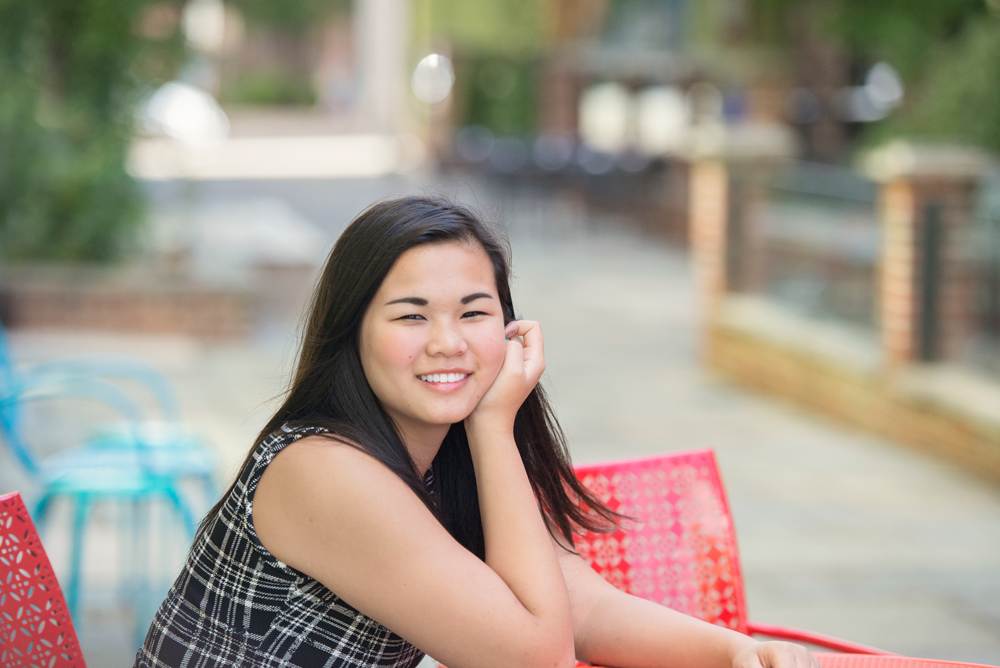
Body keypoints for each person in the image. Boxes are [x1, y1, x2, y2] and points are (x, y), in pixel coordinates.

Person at [135, 196, 819, 668]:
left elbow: (575, 603)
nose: (448, 344)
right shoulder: (324, 469)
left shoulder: (442, 460)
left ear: (509, 323)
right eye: (411, 317)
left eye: (473, 312)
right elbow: (536, 657)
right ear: (353, 333)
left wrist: (732, 651)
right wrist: (495, 422)